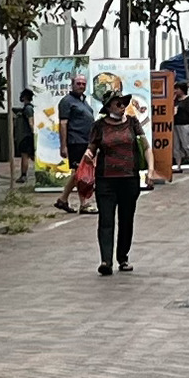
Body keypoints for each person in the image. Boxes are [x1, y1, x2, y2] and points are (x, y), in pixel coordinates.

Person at [89, 77, 148, 275]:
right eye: (118, 103)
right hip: (106, 179)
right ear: (108, 106)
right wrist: (84, 164)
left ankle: (122, 257)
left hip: (129, 179)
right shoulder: (99, 126)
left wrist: (151, 170)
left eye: (124, 102)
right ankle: (106, 260)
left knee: (126, 219)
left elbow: (145, 147)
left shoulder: (132, 123)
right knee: (106, 219)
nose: (122, 106)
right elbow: (91, 150)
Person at [59, 78, 97, 210]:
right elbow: (63, 124)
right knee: (81, 173)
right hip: (75, 141)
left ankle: (63, 199)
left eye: (83, 84)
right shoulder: (66, 102)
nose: (81, 86)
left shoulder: (83, 101)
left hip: (86, 141)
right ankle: (84, 203)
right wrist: (63, 146)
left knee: (78, 173)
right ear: (72, 85)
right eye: (78, 83)